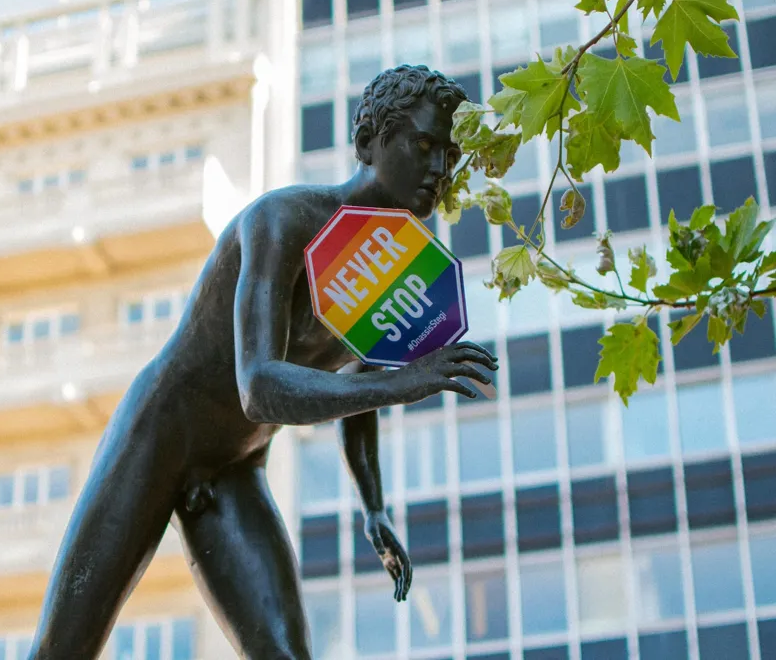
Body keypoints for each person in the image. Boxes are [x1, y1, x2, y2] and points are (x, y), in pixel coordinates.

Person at [28, 65, 498, 659]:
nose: (438, 170)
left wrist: (373, 505)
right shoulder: (282, 222)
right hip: (158, 436)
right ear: (367, 145)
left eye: (449, 156)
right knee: (60, 653)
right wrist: (409, 382)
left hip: (233, 467)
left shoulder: (394, 269)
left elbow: (365, 375)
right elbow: (259, 387)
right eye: (424, 146)